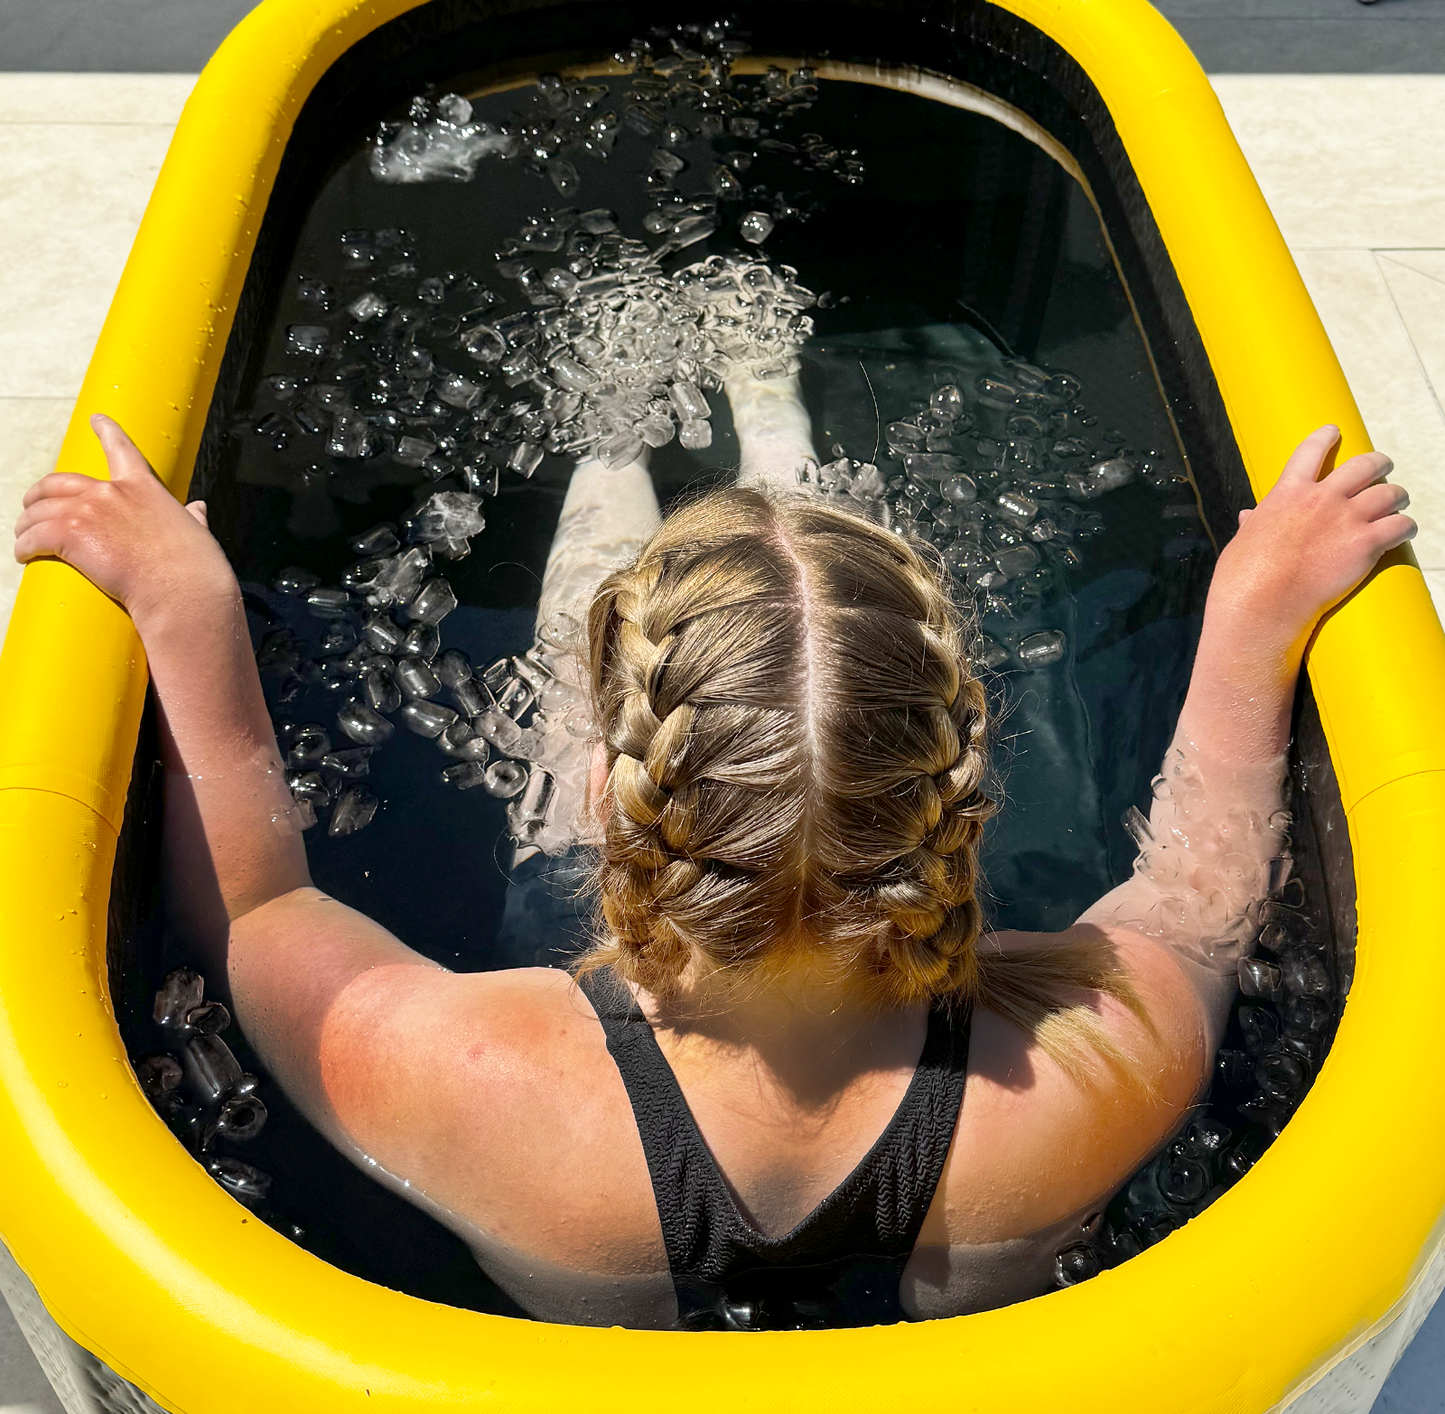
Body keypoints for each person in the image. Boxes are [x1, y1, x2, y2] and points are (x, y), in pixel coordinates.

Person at [12, 413, 1413, 1330]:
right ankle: (770, 427)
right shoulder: (1085, 1077)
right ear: (961, 796)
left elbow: (260, 903)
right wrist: (1252, 616)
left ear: (617, 801)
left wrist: (190, 607)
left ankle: (613, 447)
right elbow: (1199, 901)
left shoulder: (457, 1072)